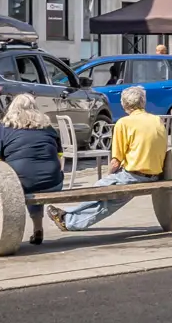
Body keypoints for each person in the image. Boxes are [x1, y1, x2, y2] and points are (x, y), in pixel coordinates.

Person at [55, 86, 164, 232]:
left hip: (133, 175)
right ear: (143, 102)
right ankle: (69, 218)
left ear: (124, 105)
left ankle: (68, 215)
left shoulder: (124, 123)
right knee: (109, 198)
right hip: (155, 175)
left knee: (100, 189)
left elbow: (115, 161)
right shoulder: (157, 120)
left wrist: (110, 175)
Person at [0, 94, 64, 245]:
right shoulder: (48, 128)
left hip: (22, 183)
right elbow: (59, 158)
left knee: (22, 181)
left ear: (12, 108)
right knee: (33, 181)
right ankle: (38, 228)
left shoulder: (4, 129)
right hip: (53, 183)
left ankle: (4, 233)